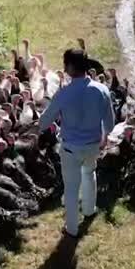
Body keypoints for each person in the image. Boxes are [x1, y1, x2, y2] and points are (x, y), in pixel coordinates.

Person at [38, 49, 115, 238]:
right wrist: (104, 137)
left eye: (65, 65)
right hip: (93, 145)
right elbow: (110, 123)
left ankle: (72, 229)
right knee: (89, 174)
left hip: (71, 148)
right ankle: (89, 210)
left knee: (71, 187)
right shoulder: (102, 90)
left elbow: (43, 123)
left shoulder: (64, 93)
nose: (64, 68)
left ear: (71, 67)